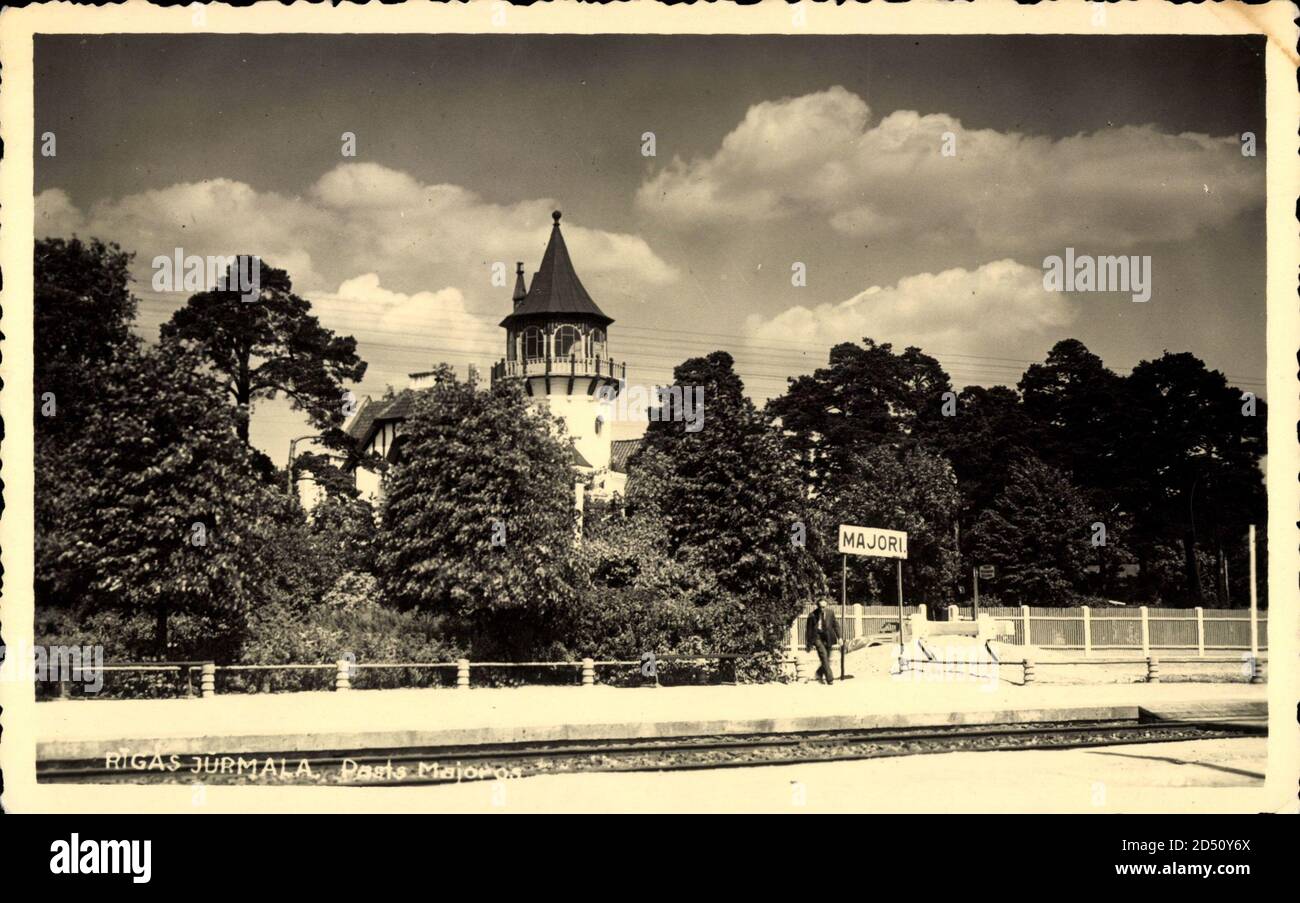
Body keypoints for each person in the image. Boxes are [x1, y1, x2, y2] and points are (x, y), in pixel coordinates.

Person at [805, 599, 840, 685]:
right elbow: (809, 630)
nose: (822, 609)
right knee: (823, 655)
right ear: (817, 606)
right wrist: (809, 643)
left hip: (828, 637)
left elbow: (835, 625)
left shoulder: (830, 613)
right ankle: (830, 678)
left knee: (826, 658)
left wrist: (840, 637)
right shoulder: (812, 615)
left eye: (824, 607)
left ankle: (819, 673)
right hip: (817, 637)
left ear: (826, 606)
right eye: (820, 607)